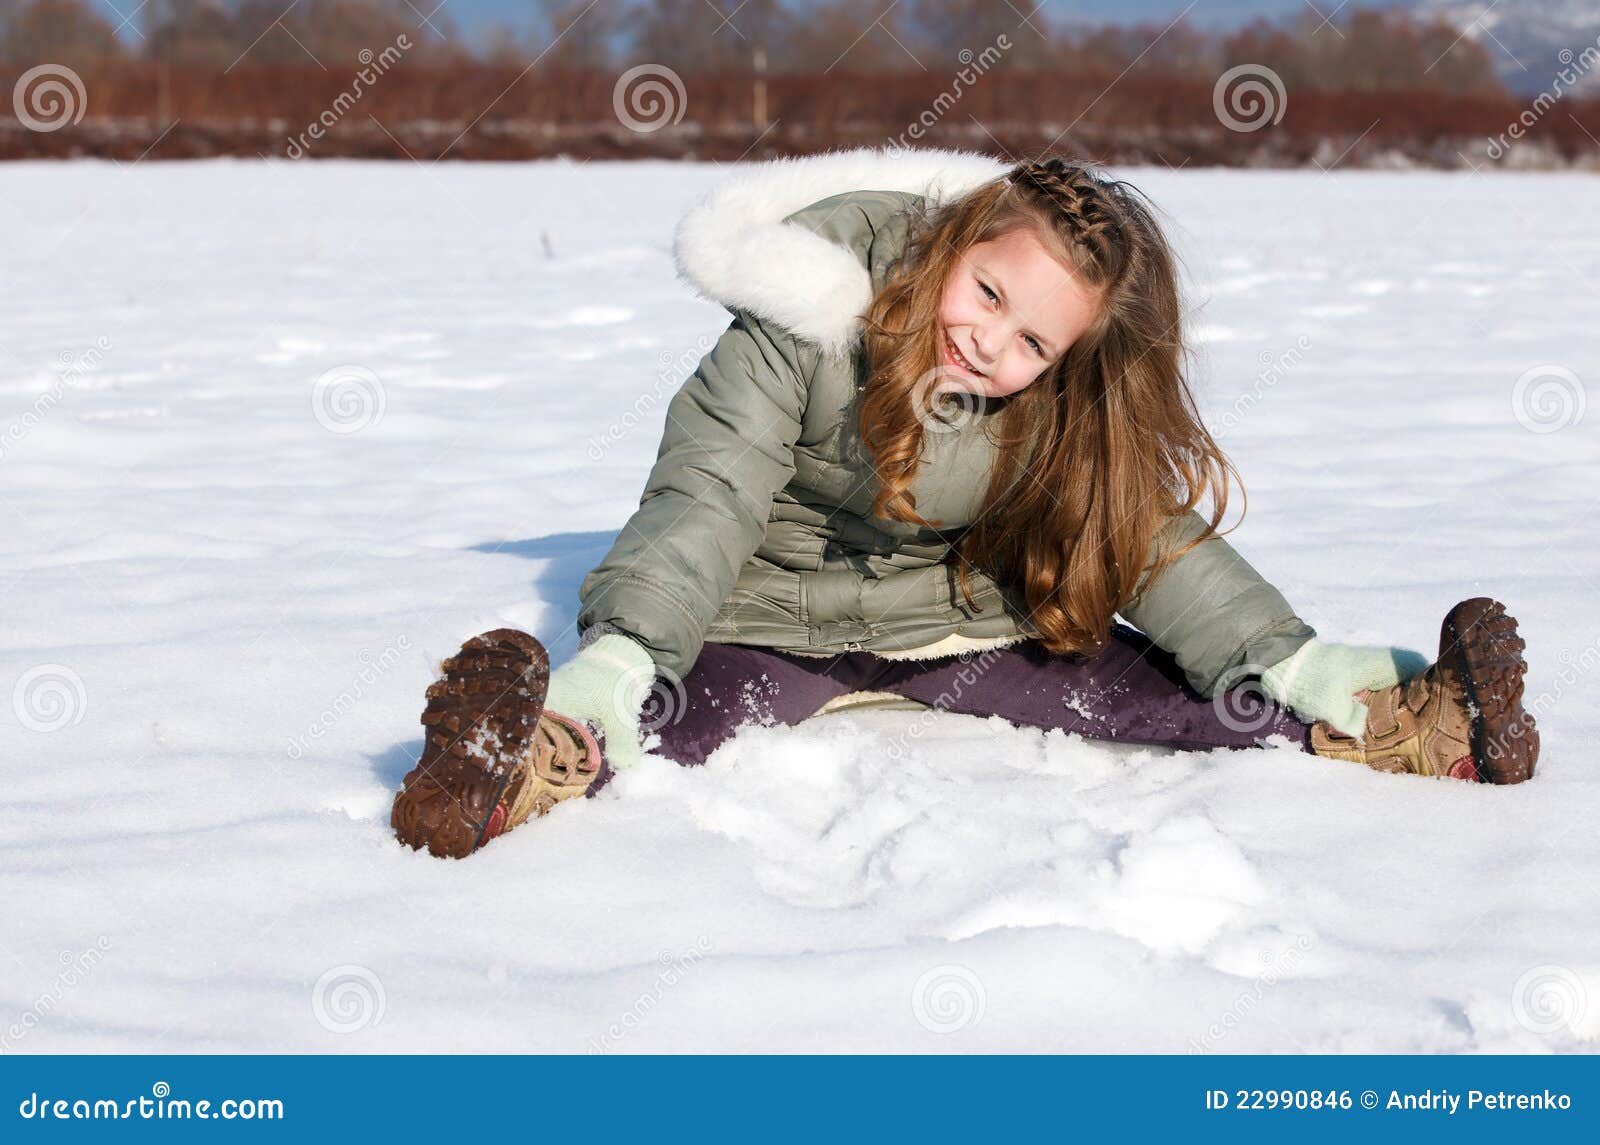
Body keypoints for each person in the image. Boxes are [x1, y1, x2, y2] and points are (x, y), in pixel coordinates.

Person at [391, 148, 1539, 860]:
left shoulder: (1053, 401)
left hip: (960, 633)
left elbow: (1141, 535)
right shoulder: (804, 324)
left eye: (1032, 337)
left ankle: (1403, 727)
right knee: (671, 714)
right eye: (987, 291)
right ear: (955, 239)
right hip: (768, 627)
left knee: (1178, 695)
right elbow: (707, 491)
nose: (988, 339)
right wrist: (630, 650)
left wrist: (1285, 658)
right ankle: (527, 759)